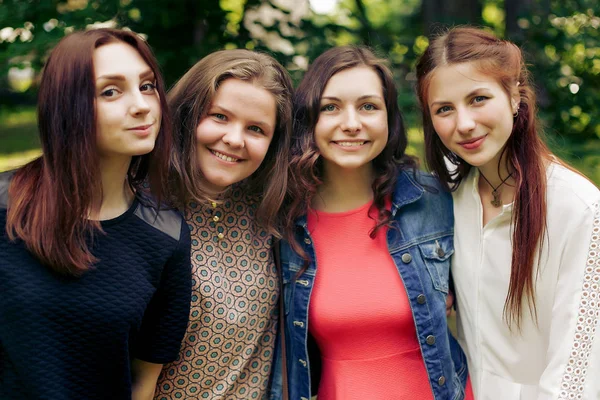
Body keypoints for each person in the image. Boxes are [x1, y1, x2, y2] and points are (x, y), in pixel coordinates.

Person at [0, 28, 192, 400]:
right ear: (66, 105)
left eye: (148, 86)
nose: (140, 105)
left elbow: (142, 381)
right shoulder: (3, 207)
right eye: (111, 91)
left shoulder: (166, 236)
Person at [272, 45, 469, 400]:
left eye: (368, 106)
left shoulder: (436, 200)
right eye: (330, 107)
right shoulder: (282, 224)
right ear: (309, 119)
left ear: (389, 119)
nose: (351, 123)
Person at [416, 26, 600, 399]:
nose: (464, 124)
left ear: (515, 95)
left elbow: (576, 371)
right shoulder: (447, 199)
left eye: (479, 98)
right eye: (444, 109)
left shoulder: (578, 208)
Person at [154, 49, 294, 400]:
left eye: (256, 129)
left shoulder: (271, 214)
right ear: (188, 115)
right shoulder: (138, 209)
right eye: (220, 116)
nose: (235, 139)